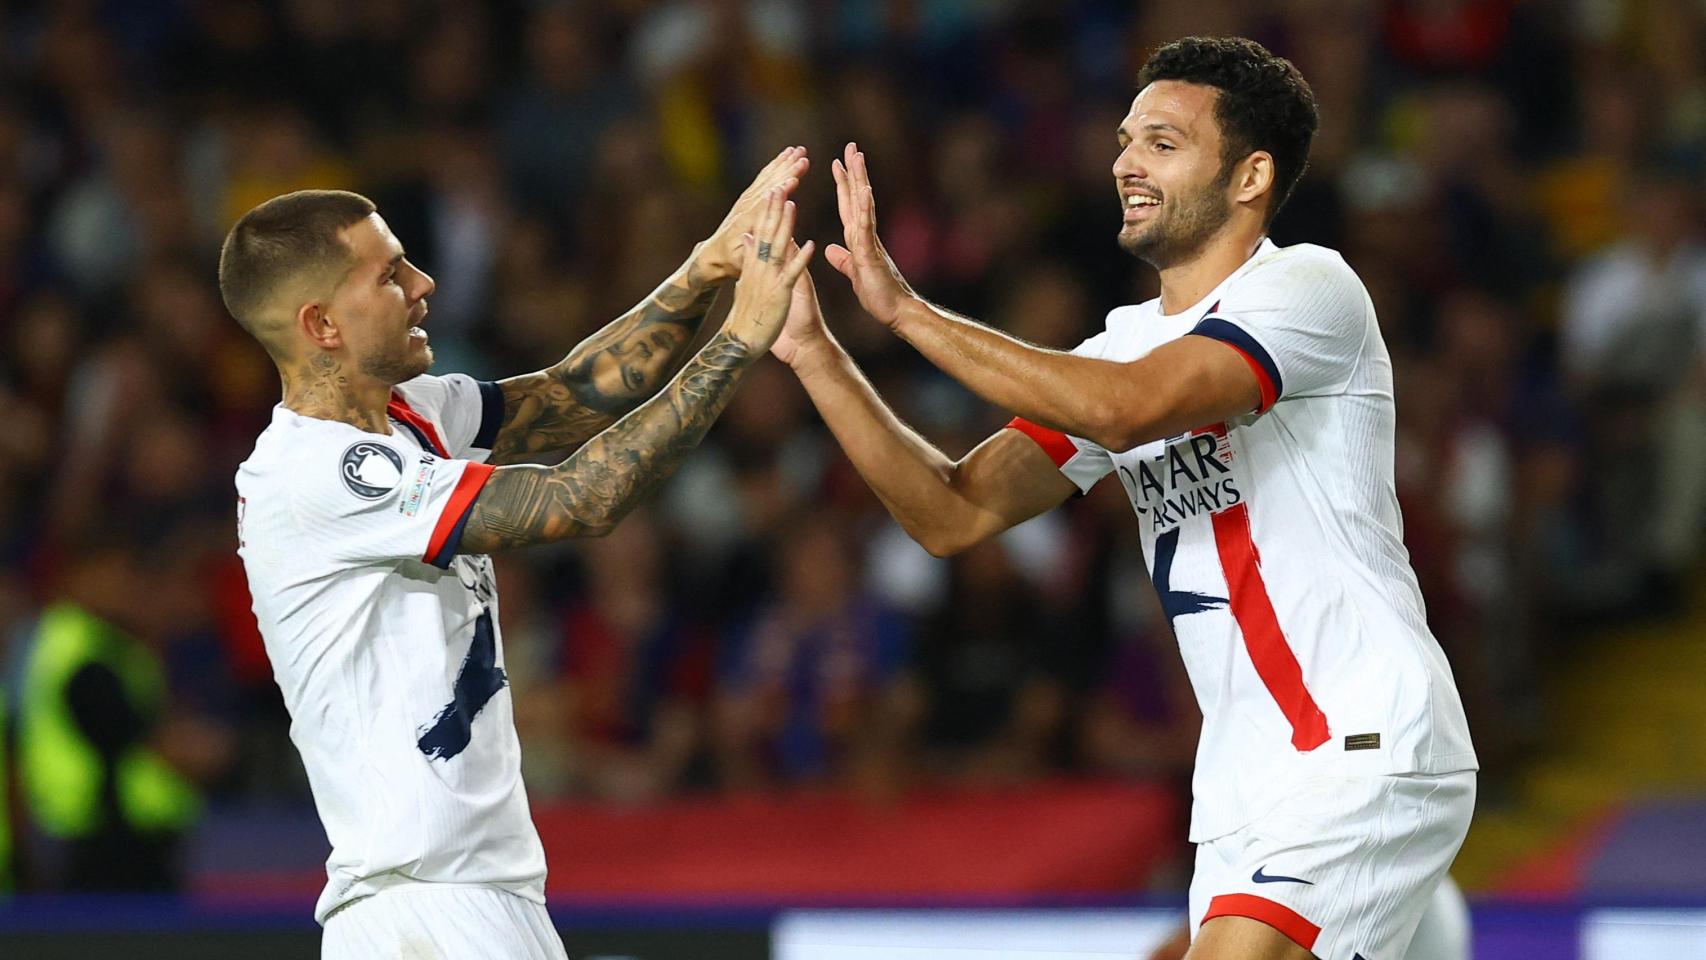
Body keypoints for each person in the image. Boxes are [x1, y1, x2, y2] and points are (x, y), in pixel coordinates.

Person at [775, 37, 1477, 960]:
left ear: (1249, 175)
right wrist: (816, 354)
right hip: (1239, 787)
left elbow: (1127, 410)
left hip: (1359, 738)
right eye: (1124, 139)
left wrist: (905, 308)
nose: (1125, 162)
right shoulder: (1118, 349)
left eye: (1162, 142)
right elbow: (952, 513)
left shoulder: (1310, 289)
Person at [224, 148, 815, 959]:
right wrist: (737, 343)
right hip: (422, 908)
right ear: (322, 325)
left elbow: (573, 393)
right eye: (390, 276)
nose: (423, 285)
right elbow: (581, 498)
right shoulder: (318, 475)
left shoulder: (408, 420)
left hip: (476, 897)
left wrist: (704, 268)